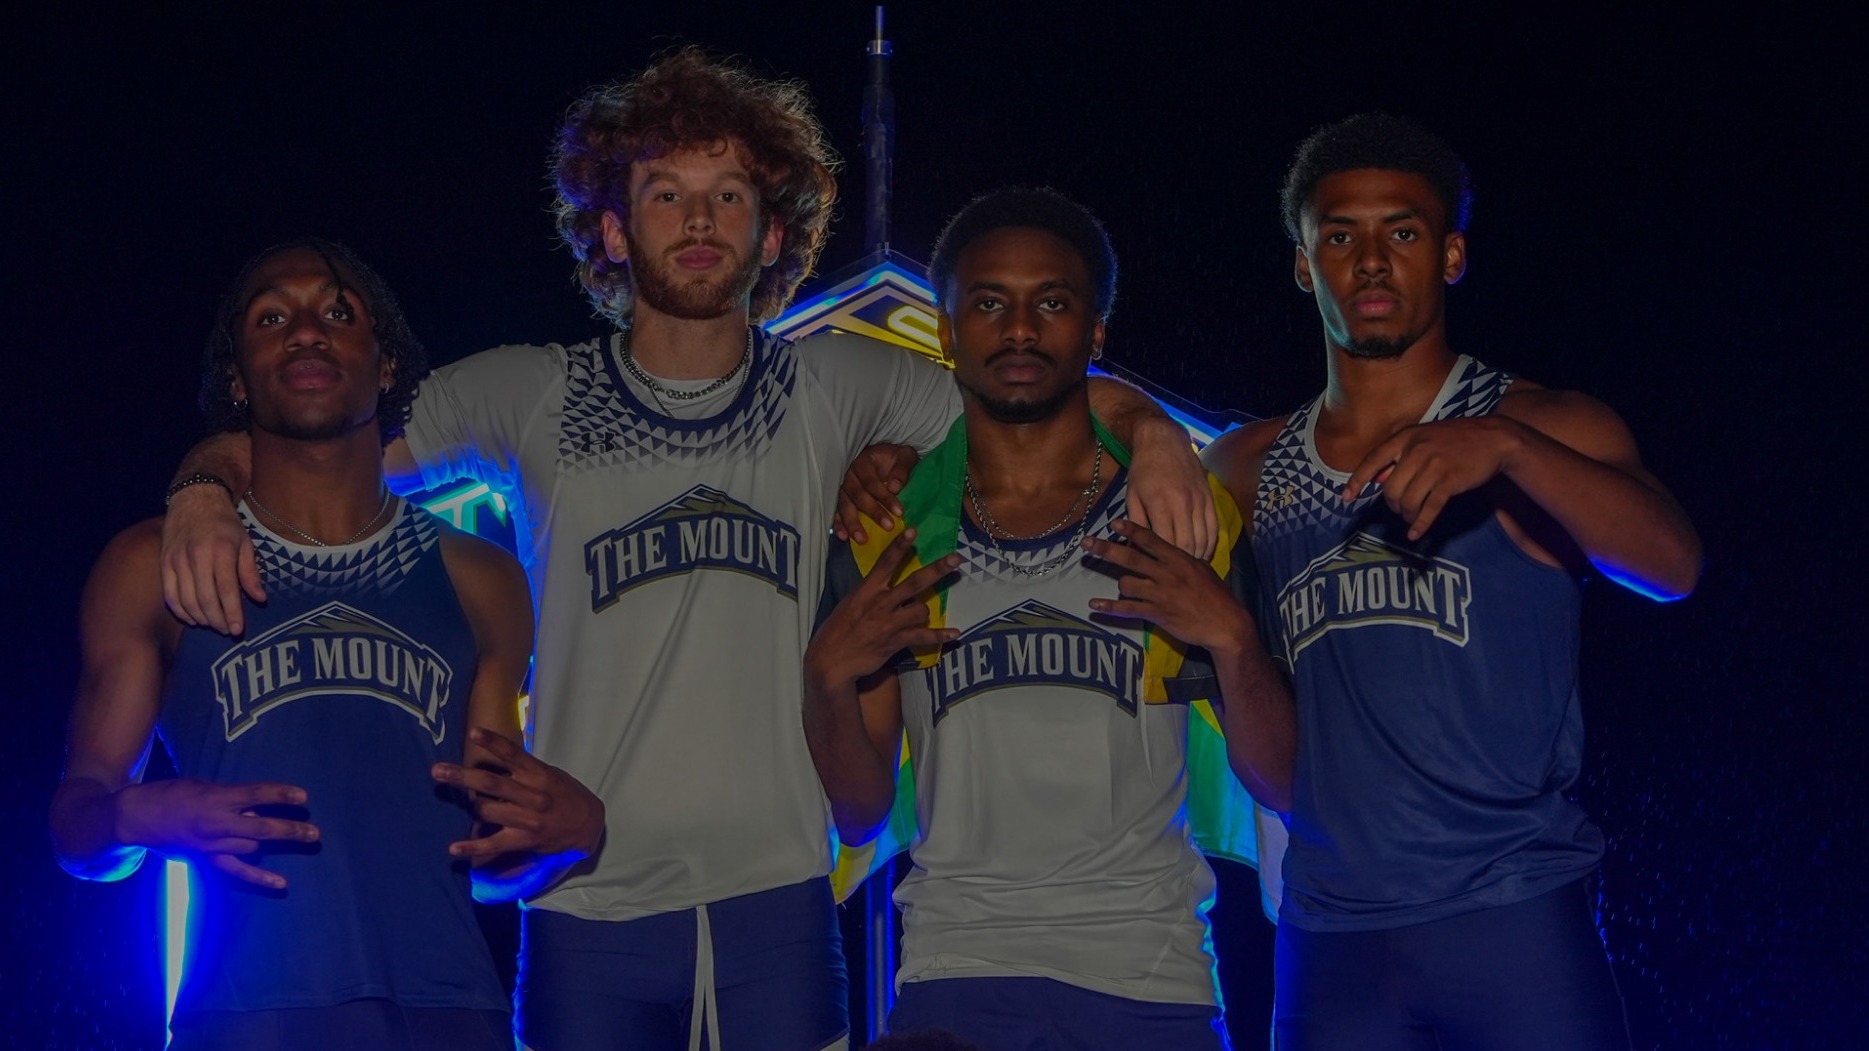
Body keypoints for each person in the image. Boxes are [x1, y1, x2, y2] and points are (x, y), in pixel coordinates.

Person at [158, 50, 1212, 1051]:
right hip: (584, 894)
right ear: (612, 231)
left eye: (729, 195)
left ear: (770, 235)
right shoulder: (529, 390)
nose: (699, 219)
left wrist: (1157, 436)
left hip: (780, 904)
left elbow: (1031, 391)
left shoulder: (835, 382)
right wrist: (205, 486)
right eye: (666, 192)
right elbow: (318, 438)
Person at [1202, 114, 1704, 1051]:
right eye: (1339, 236)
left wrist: (1509, 451)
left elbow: (1673, 567)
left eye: (1403, 231)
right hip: (1330, 935)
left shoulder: (1543, 420)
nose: (1372, 260)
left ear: (1451, 254)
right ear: (1304, 266)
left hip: (1513, 913)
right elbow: (1271, 764)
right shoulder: (1243, 469)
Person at [50, 240, 603, 1051]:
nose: (306, 330)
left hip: (448, 1010)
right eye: (271, 316)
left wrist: (574, 833)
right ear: (236, 377)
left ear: (386, 365)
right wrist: (132, 814)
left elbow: (486, 858)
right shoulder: (151, 564)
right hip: (246, 1015)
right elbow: (75, 827)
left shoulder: (482, 578)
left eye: (338, 312)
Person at [805, 188, 1296, 1051]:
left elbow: (1286, 782)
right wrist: (824, 678)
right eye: (989, 302)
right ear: (947, 331)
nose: (1021, 328)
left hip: (1150, 977)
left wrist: (1232, 638)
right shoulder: (892, 523)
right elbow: (857, 811)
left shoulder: (1172, 509)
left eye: (1053, 302)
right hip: (953, 976)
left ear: (1095, 331)